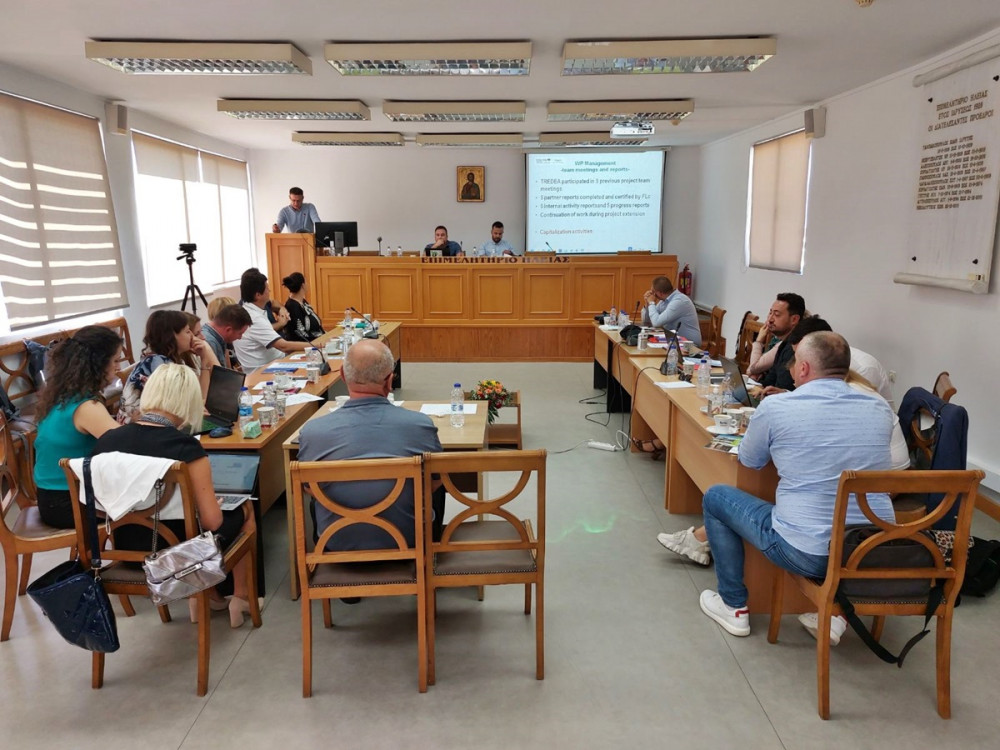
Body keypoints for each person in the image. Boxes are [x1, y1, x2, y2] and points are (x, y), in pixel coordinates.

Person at [684, 332, 897, 640]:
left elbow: (750, 460)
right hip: (869, 550)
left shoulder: (778, 406)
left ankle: (733, 606)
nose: (792, 368)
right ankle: (836, 611)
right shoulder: (879, 407)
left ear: (805, 368)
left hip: (807, 552)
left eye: (795, 362)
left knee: (717, 497)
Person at [93, 364, 256, 628]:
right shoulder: (185, 447)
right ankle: (241, 598)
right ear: (189, 400)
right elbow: (212, 522)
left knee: (187, 518)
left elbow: (100, 508)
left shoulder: (107, 442)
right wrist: (211, 505)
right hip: (179, 554)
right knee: (244, 509)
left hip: (127, 548)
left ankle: (208, 597)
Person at [297, 339, 445, 552]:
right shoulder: (420, 425)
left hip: (336, 542)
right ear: (389, 381)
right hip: (406, 541)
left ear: (343, 376)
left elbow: (308, 488)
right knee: (433, 481)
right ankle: (432, 554)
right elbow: (435, 481)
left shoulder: (313, 432)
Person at [32, 326, 123, 528]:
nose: (119, 367)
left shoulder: (61, 396)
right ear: (98, 364)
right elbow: (127, 445)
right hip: (68, 503)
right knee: (149, 503)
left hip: (51, 498)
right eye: (115, 361)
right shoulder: (86, 407)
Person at [117, 310, 220, 424]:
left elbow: (199, 399)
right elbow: (200, 401)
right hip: (142, 429)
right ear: (172, 336)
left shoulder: (163, 359)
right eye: (187, 331)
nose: (192, 336)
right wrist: (206, 356)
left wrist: (204, 359)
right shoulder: (161, 366)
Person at [232, 268, 314, 369]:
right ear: (258, 295)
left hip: (278, 360)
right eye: (267, 289)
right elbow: (284, 346)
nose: (269, 291)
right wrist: (316, 345)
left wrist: (282, 309)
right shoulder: (254, 318)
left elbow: (274, 303)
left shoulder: (252, 306)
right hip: (265, 369)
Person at [756, 293, 806, 396]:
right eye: (770, 313)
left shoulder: (794, 347)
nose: (770, 319)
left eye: (777, 315)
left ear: (794, 319)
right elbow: (769, 381)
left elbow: (781, 389)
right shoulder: (783, 343)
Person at [640, 276, 701, 346]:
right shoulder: (664, 301)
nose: (652, 294)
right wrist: (647, 304)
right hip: (673, 340)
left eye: (653, 292)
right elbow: (647, 321)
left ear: (660, 293)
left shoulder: (679, 301)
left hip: (689, 343)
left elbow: (656, 323)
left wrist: (651, 303)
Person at [203, 302, 251, 370]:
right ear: (228, 330)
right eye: (240, 333)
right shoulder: (209, 342)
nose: (240, 338)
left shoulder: (220, 337)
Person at [281, 272, 326, 342]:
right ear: (303, 285)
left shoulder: (302, 301)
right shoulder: (292, 306)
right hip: (306, 344)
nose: (307, 284)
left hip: (318, 339)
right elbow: (300, 334)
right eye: (306, 282)